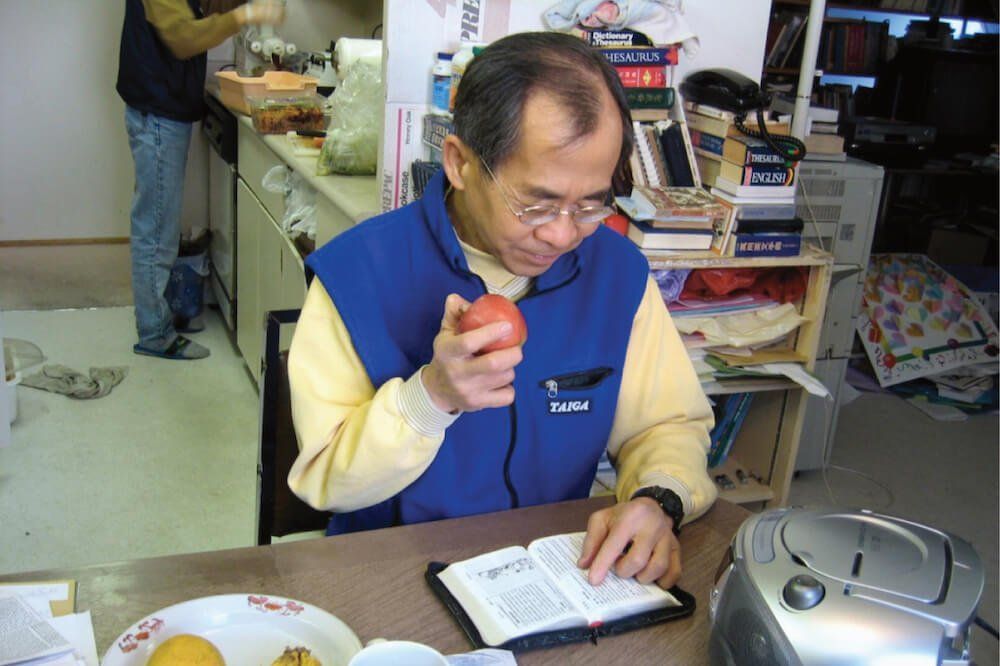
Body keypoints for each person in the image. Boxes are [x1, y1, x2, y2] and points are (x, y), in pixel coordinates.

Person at [288, 31, 716, 590]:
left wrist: (658, 497)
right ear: (461, 162)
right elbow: (326, 478)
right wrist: (430, 398)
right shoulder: (358, 273)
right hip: (393, 580)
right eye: (535, 202)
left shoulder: (617, 274)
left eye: (590, 203)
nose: (562, 234)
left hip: (557, 578)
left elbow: (665, 423)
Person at [117, 0, 284, 360]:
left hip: (160, 105)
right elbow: (182, 37)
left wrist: (242, 7)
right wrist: (245, 15)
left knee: (157, 223)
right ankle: (154, 335)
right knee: (156, 228)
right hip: (158, 110)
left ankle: (155, 320)